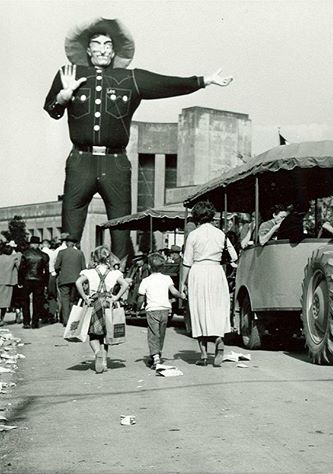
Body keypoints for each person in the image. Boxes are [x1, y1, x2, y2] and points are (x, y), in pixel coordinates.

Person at [44, 18, 233, 262]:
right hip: (81, 160)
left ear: (114, 51)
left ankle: (120, 286)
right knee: (70, 232)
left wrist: (203, 81)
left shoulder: (130, 78)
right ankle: (68, 289)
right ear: (87, 50)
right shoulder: (68, 74)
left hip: (116, 163)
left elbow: (167, 83)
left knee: (122, 231)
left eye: (107, 44)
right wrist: (64, 95)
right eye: (96, 44)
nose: (102, 49)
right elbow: (51, 108)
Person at [180, 201, 238, 367]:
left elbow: (186, 262)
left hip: (198, 272)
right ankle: (219, 339)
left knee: (199, 311)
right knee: (217, 309)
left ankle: (204, 355)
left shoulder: (193, 235)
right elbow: (233, 256)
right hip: (216, 272)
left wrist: (183, 284)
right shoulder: (220, 234)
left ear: (196, 217)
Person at [75, 245, 130, 373]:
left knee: (93, 333)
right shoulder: (115, 273)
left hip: (95, 302)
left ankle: (97, 352)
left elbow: (78, 282)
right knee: (106, 334)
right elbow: (126, 284)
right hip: (108, 303)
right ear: (109, 258)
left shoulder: (88, 272)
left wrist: (85, 297)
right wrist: (116, 298)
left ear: (94, 258)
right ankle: (104, 362)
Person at [137, 253, 183, 369]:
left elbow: (141, 297)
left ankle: (156, 357)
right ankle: (157, 353)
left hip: (152, 310)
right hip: (165, 310)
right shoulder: (167, 278)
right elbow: (174, 292)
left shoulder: (145, 281)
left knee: (153, 333)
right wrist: (182, 296)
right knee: (161, 333)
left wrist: (138, 307)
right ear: (162, 267)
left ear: (149, 267)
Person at [18, 236, 50, 329]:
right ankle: (35, 322)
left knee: (25, 301)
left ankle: (26, 321)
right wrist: (46, 284)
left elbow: (21, 269)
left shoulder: (25, 254)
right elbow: (46, 271)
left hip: (27, 279)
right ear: (38, 244)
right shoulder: (44, 256)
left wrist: (20, 281)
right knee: (37, 301)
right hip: (39, 280)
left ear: (30, 244)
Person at [55, 236, 87, 326]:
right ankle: (73, 320)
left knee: (65, 300)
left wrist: (62, 270)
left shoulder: (61, 253)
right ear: (74, 244)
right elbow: (84, 268)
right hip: (76, 280)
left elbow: (56, 266)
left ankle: (66, 321)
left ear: (66, 243)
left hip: (64, 279)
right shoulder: (80, 253)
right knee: (73, 300)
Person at [0, 244, 20, 326]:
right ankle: (1, 318)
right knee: (5, 301)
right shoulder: (13, 258)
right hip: (8, 281)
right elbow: (19, 267)